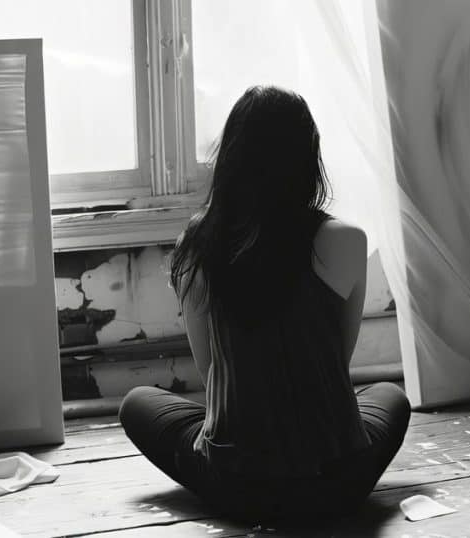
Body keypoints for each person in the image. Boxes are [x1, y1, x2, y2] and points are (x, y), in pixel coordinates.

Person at [118, 85, 410, 521]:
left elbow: (209, 370)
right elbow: (336, 359)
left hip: (238, 487)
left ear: (230, 159)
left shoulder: (197, 246)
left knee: (137, 402)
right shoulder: (346, 241)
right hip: (337, 482)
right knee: (390, 396)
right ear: (308, 158)